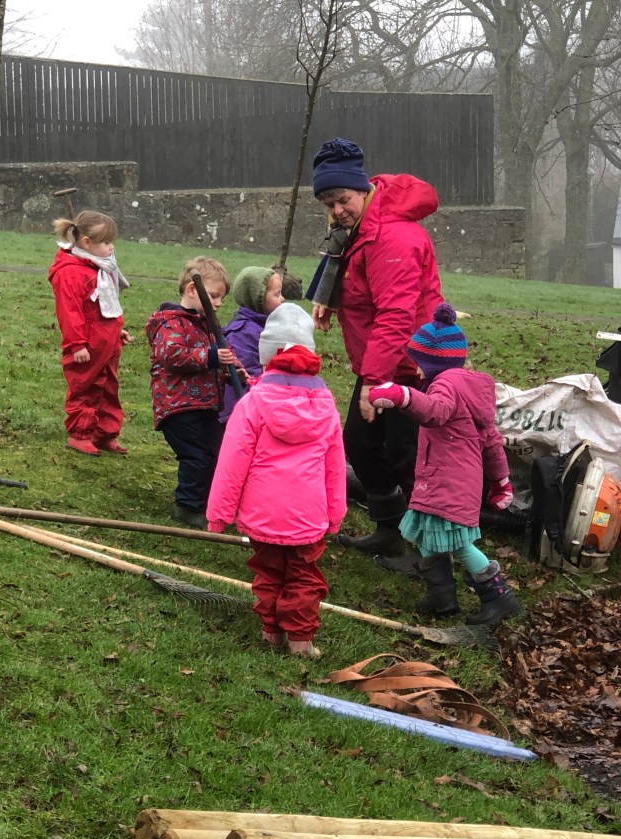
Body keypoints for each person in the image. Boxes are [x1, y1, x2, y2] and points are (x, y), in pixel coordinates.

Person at [307, 137, 444, 560]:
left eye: (342, 200)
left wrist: (372, 382)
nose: (336, 211)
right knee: (361, 444)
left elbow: (396, 316)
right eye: (328, 203)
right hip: (381, 360)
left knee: (407, 459)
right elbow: (351, 272)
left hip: (412, 366)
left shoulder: (394, 237)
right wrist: (330, 299)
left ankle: (433, 553)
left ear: (363, 189)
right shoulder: (360, 227)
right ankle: (390, 529)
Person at [368, 303, 521, 627]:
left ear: (432, 362)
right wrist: (501, 481)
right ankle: (441, 595)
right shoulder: (467, 390)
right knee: (427, 534)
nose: (417, 371)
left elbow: (434, 411)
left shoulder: (445, 386)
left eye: (419, 363)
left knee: (460, 544)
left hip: (448, 483)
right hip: (444, 481)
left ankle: (498, 596)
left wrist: (403, 396)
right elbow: (491, 442)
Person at [207, 303, 347, 657]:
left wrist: (219, 513)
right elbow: (334, 466)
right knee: (302, 574)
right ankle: (301, 641)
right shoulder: (326, 406)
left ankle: (272, 632)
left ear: (268, 357)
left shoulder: (252, 404)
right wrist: (335, 513)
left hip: (263, 512)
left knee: (268, 570)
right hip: (308, 514)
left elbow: (231, 462)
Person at [146, 256, 239, 529]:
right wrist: (212, 356)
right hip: (178, 406)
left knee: (216, 452)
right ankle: (188, 506)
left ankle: (208, 502)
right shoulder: (170, 323)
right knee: (196, 456)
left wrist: (233, 371)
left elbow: (219, 359)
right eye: (214, 296)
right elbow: (172, 355)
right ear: (191, 290)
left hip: (205, 405)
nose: (219, 303)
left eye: (222, 298)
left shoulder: (206, 325)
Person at [49, 210, 133, 456]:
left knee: (108, 387)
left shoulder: (97, 267)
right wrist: (77, 345)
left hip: (106, 342)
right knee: (86, 387)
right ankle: (81, 433)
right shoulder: (71, 273)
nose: (111, 247)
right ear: (86, 242)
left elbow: (102, 306)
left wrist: (116, 330)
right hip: (87, 345)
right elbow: (70, 313)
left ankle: (105, 432)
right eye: (106, 242)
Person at [218, 266, 284, 425]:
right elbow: (246, 375)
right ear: (258, 299)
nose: (282, 299)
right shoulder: (244, 333)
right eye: (277, 294)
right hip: (238, 413)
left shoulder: (264, 326)